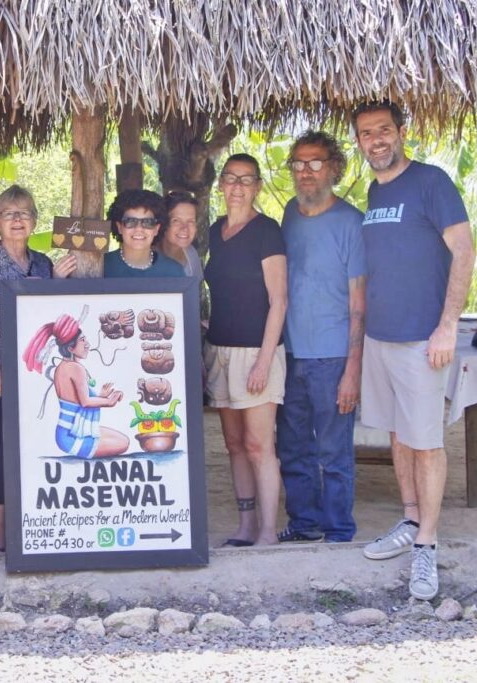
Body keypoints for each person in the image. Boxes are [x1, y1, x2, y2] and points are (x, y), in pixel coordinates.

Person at [353, 100, 475, 600]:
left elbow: (465, 250)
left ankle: (427, 544)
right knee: (400, 436)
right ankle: (408, 519)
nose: (376, 140)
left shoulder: (432, 182)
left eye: (384, 130)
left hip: (423, 339)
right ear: (359, 142)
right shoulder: (373, 191)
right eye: (366, 133)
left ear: (401, 132)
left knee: (426, 442)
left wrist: (448, 326)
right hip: (381, 337)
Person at [0, 185, 73, 551]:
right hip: (0, 380)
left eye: (25, 212)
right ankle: (0, 546)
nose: (17, 219)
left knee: (40, 457)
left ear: (35, 221)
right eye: (9, 213)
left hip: (41, 380)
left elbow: (51, 317)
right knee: (2, 461)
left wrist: (57, 283)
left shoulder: (42, 263)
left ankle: (35, 538)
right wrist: (0, 384)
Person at [276, 131, 366, 545]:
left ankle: (338, 533)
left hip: (332, 357)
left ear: (333, 167)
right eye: (298, 163)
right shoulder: (290, 215)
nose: (305, 172)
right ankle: (304, 523)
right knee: (293, 449)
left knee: (333, 454)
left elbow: (359, 304)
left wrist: (353, 371)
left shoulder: (351, 222)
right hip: (289, 353)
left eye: (315, 163)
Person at [204, 153, 288, 547]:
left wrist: (264, 361)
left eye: (246, 179)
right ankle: (246, 526)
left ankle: (268, 533)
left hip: (258, 353)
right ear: (220, 184)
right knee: (234, 445)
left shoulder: (267, 231)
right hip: (219, 350)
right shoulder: (214, 231)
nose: (237, 186)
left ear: (256, 186)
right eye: (230, 178)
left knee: (259, 446)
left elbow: (279, 302)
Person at [23, 313, 129, 458]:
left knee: (122, 439)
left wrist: (101, 396)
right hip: (72, 437)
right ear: (71, 348)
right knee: (123, 443)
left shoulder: (63, 366)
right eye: (82, 340)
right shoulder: (75, 368)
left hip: (70, 431)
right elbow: (85, 402)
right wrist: (109, 402)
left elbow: (76, 400)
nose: (88, 345)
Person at [102, 189, 186, 278]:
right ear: (119, 227)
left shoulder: (173, 272)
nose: (139, 228)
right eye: (130, 221)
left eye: (147, 222)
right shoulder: (102, 267)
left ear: (156, 229)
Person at [159, 191, 204, 278]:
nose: (185, 228)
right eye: (176, 221)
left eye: (190, 221)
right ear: (163, 223)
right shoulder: (147, 257)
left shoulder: (191, 255)